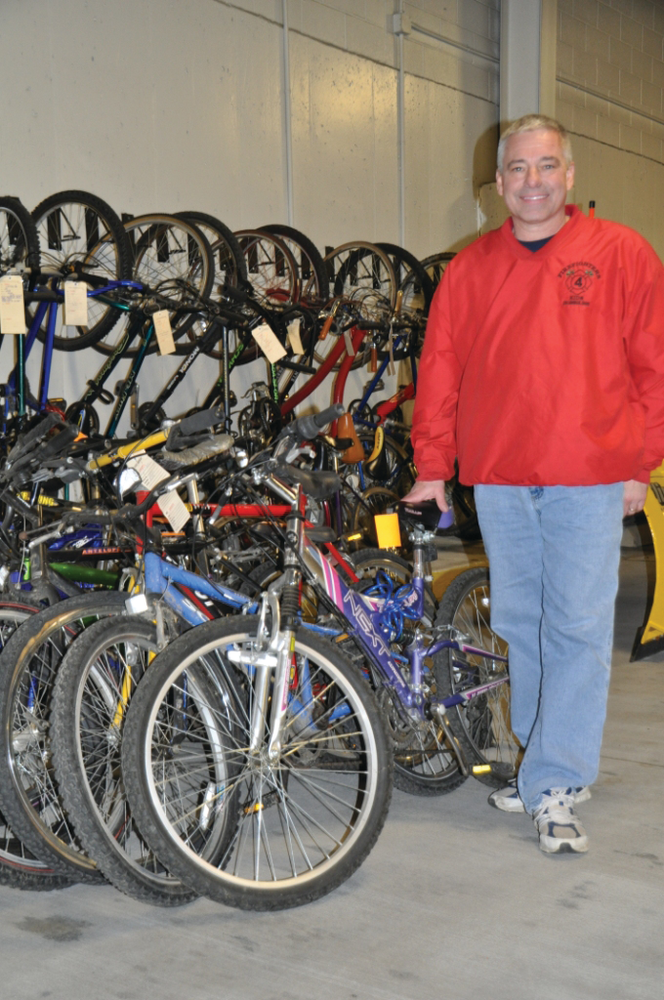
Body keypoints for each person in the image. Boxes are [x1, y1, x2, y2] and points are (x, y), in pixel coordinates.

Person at [404, 114, 664, 854]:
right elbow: (443, 370)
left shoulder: (621, 254)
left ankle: (552, 780)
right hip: (502, 476)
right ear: (497, 184)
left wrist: (638, 464)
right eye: (517, 169)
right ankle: (547, 763)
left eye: (546, 166)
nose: (532, 181)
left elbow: (655, 365)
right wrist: (433, 464)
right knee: (521, 625)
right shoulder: (471, 268)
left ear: (571, 175)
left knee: (578, 627)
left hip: (589, 475)